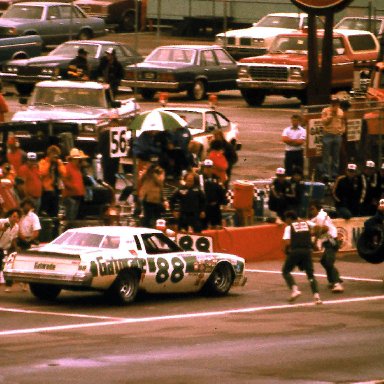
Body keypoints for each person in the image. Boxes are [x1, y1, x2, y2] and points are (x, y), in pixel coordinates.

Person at [282, 210, 322, 304]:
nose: (285, 221)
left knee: (286, 271)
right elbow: (320, 228)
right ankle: (317, 297)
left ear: (289, 218)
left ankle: (295, 290)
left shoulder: (289, 227)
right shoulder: (307, 223)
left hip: (296, 251)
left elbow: (287, 242)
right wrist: (314, 239)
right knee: (310, 275)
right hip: (307, 251)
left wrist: (286, 251)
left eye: (286, 219)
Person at [309, 201, 344, 293]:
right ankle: (334, 280)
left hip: (331, 241)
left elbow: (324, 229)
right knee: (324, 261)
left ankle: (337, 283)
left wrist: (314, 239)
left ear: (317, 208)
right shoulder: (318, 217)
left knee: (328, 262)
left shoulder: (320, 217)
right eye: (310, 209)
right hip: (327, 241)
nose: (311, 211)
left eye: (312, 209)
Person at [321, 97, 346, 181]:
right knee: (326, 156)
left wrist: (342, 130)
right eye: (333, 103)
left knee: (336, 156)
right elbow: (324, 122)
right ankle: (326, 174)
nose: (335, 105)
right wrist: (330, 116)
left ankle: (335, 174)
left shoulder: (341, 111)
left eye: (336, 103)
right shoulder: (325, 110)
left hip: (337, 136)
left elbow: (343, 122)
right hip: (328, 135)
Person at [39, 145, 66, 217]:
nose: (55, 156)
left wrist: (59, 164)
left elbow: (64, 173)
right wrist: (49, 162)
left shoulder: (58, 163)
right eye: (53, 153)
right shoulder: (43, 162)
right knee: (45, 212)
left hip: (56, 191)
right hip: (46, 191)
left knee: (55, 212)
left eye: (56, 154)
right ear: (49, 154)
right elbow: (42, 172)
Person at [199, 159, 227, 229]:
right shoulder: (199, 178)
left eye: (209, 167)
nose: (208, 169)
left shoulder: (217, 178)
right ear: (204, 168)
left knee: (217, 227)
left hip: (215, 207)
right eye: (206, 167)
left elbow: (221, 191)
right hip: (204, 207)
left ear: (212, 168)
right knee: (203, 227)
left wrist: (224, 202)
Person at [62, 148, 88, 222]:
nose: (77, 160)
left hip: (77, 195)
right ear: (72, 159)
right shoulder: (67, 168)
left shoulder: (77, 168)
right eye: (76, 159)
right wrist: (73, 188)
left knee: (74, 216)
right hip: (70, 196)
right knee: (70, 217)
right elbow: (64, 181)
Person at [0, 209, 21, 291]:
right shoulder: (2, 221)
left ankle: (8, 285)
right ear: (10, 216)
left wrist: (16, 248)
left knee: (8, 265)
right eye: (14, 216)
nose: (16, 219)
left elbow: (14, 239)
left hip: (6, 248)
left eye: (17, 217)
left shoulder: (16, 227)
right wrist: (2, 228)